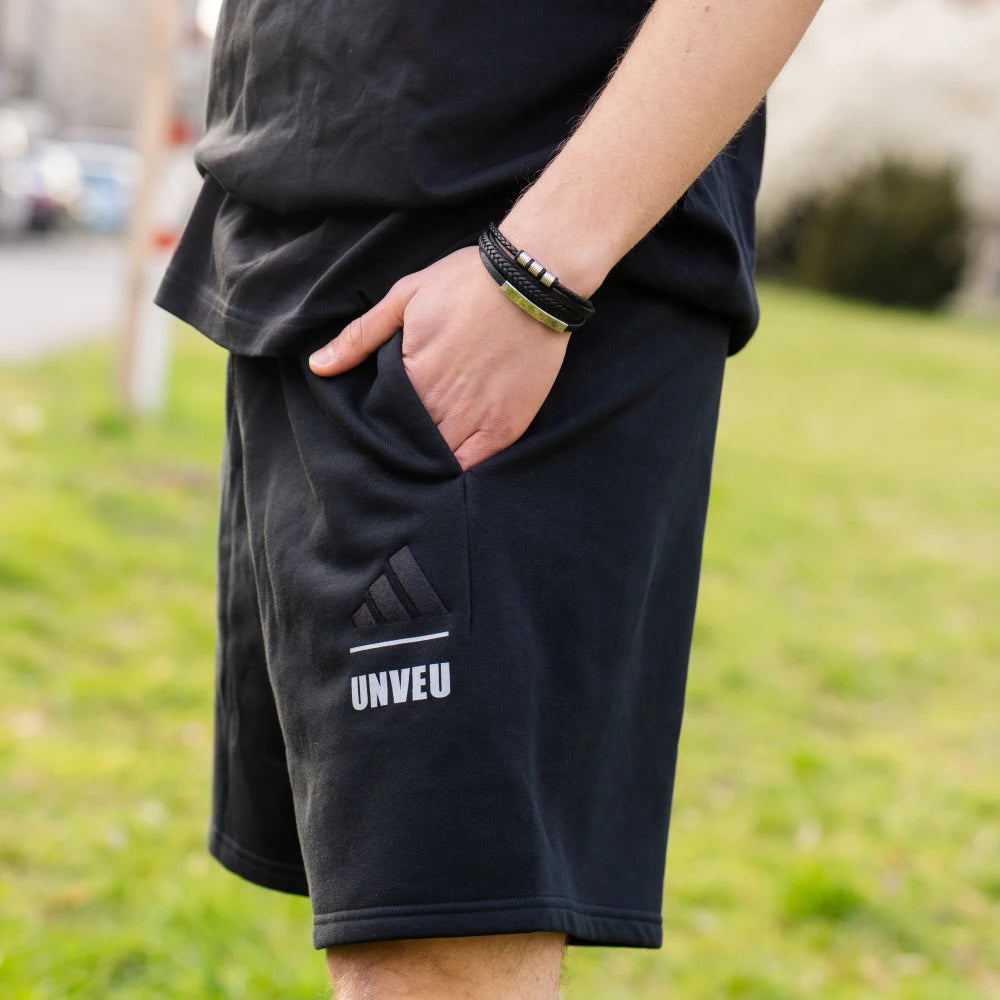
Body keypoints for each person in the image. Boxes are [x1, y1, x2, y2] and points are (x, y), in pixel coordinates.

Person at [154, 1, 825, 996]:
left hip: (501, 265)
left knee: (435, 958)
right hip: (300, 236)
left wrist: (534, 273)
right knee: (376, 920)